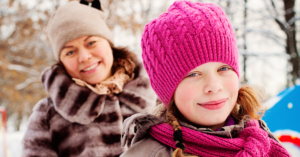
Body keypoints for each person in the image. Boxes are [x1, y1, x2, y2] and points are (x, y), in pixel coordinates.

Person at [120, 1, 291, 157]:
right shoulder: (149, 153)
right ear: (167, 90)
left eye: (223, 68)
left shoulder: (262, 141)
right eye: (193, 74)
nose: (214, 86)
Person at [22, 0, 156, 156]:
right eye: (70, 52)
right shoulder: (47, 116)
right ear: (62, 62)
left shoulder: (158, 94)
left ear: (109, 43)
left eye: (91, 43)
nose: (84, 57)